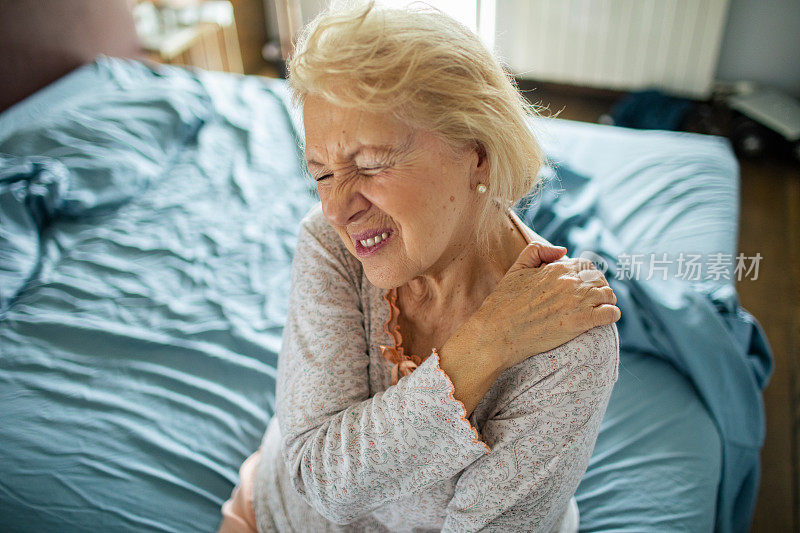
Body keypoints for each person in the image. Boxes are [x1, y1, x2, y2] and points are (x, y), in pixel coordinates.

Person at [219, 2, 620, 531]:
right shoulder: (329, 244)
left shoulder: (572, 349)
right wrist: (482, 347)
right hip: (275, 515)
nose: (337, 209)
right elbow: (317, 479)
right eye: (320, 174)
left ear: (476, 153)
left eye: (370, 164)